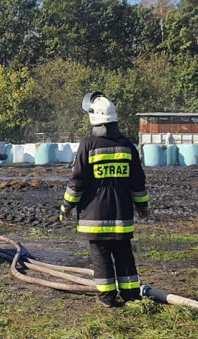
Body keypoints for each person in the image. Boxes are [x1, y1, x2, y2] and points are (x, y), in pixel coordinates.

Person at [60, 92, 149, 308]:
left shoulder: (88, 145)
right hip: (121, 215)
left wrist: (67, 206)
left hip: (95, 217)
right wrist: (142, 206)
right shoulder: (127, 146)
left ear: (93, 117)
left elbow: (77, 182)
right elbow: (138, 181)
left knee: (101, 257)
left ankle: (107, 298)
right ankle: (131, 295)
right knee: (124, 254)